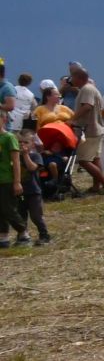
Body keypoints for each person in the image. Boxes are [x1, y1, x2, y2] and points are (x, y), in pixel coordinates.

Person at [68, 64, 104, 193]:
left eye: (72, 77)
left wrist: (72, 119)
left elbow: (87, 106)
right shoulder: (89, 89)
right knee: (95, 158)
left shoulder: (87, 89)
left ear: (79, 78)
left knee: (84, 160)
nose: (71, 80)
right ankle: (97, 186)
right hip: (96, 129)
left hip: (90, 130)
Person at [0, 93, 22, 246]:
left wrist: (17, 182)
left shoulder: (9, 138)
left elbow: (16, 161)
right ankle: (4, 235)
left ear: (4, 119)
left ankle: (23, 231)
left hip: (6, 179)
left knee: (9, 209)